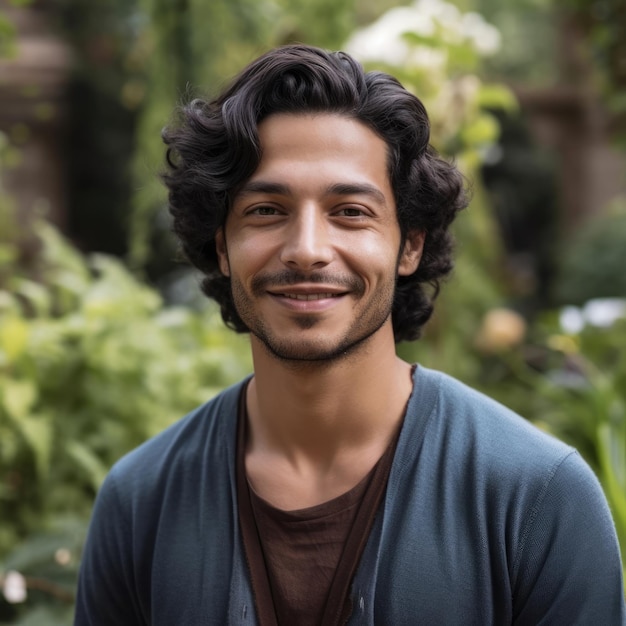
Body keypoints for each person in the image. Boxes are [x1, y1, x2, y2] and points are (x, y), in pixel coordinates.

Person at [75, 44, 626, 625]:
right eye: (266, 210)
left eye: (351, 212)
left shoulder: (537, 498)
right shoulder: (140, 503)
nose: (307, 249)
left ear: (409, 244)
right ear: (222, 247)